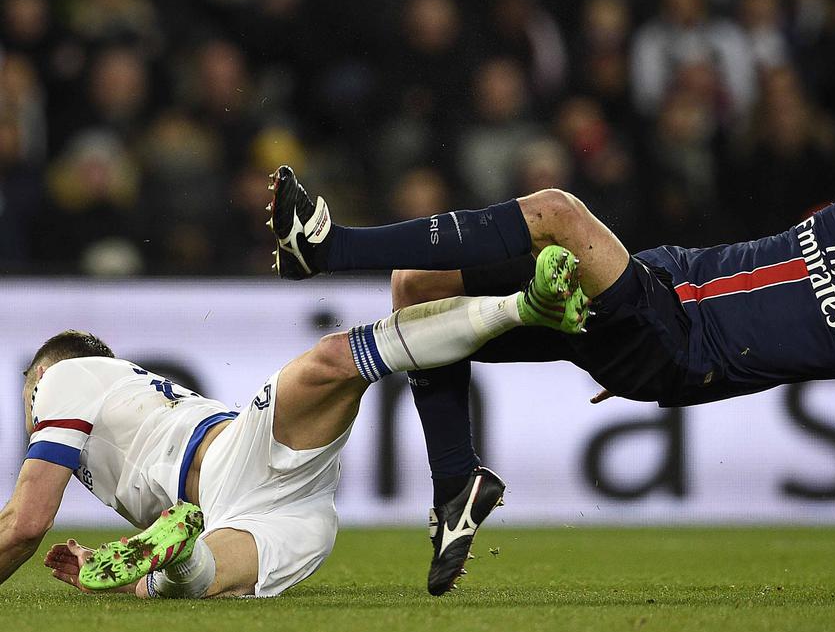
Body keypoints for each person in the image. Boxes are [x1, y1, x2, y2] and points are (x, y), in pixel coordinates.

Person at [269, 160, 835, 598]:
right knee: (417, 286)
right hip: (655, 286)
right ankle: (454, 484)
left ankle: (328, 248)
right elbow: (770, 284)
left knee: (557, 212)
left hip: (672, 346)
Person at [0, 239, 591, 597]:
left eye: (29, 396)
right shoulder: (111, 408)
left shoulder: (65, 378)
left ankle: (525, 306)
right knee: (193, 582)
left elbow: (25, 525)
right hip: (300, 517)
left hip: (236, 455)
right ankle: (173, 553)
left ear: (41, 382)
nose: (31, 415)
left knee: (334, 358)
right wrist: (100, 573)